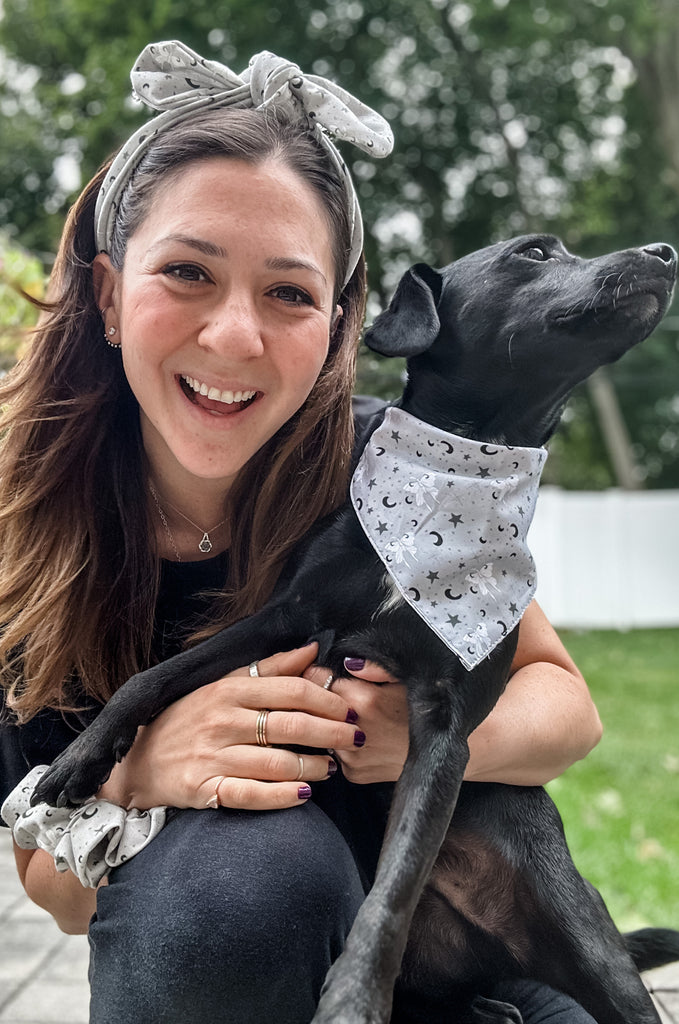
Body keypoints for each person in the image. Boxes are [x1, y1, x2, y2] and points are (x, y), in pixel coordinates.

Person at [0, 40, 603, 1024]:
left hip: (453, 962)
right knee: (244, 893)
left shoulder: (396, 468)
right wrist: (138, 768)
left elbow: (563, 705)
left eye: (288, 292)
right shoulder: (36, 535)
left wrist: (405, 738)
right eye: (187, 271)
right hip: (233, 957)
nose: (234, 335)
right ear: (108, 294)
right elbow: (55, 889)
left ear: (336, 321)